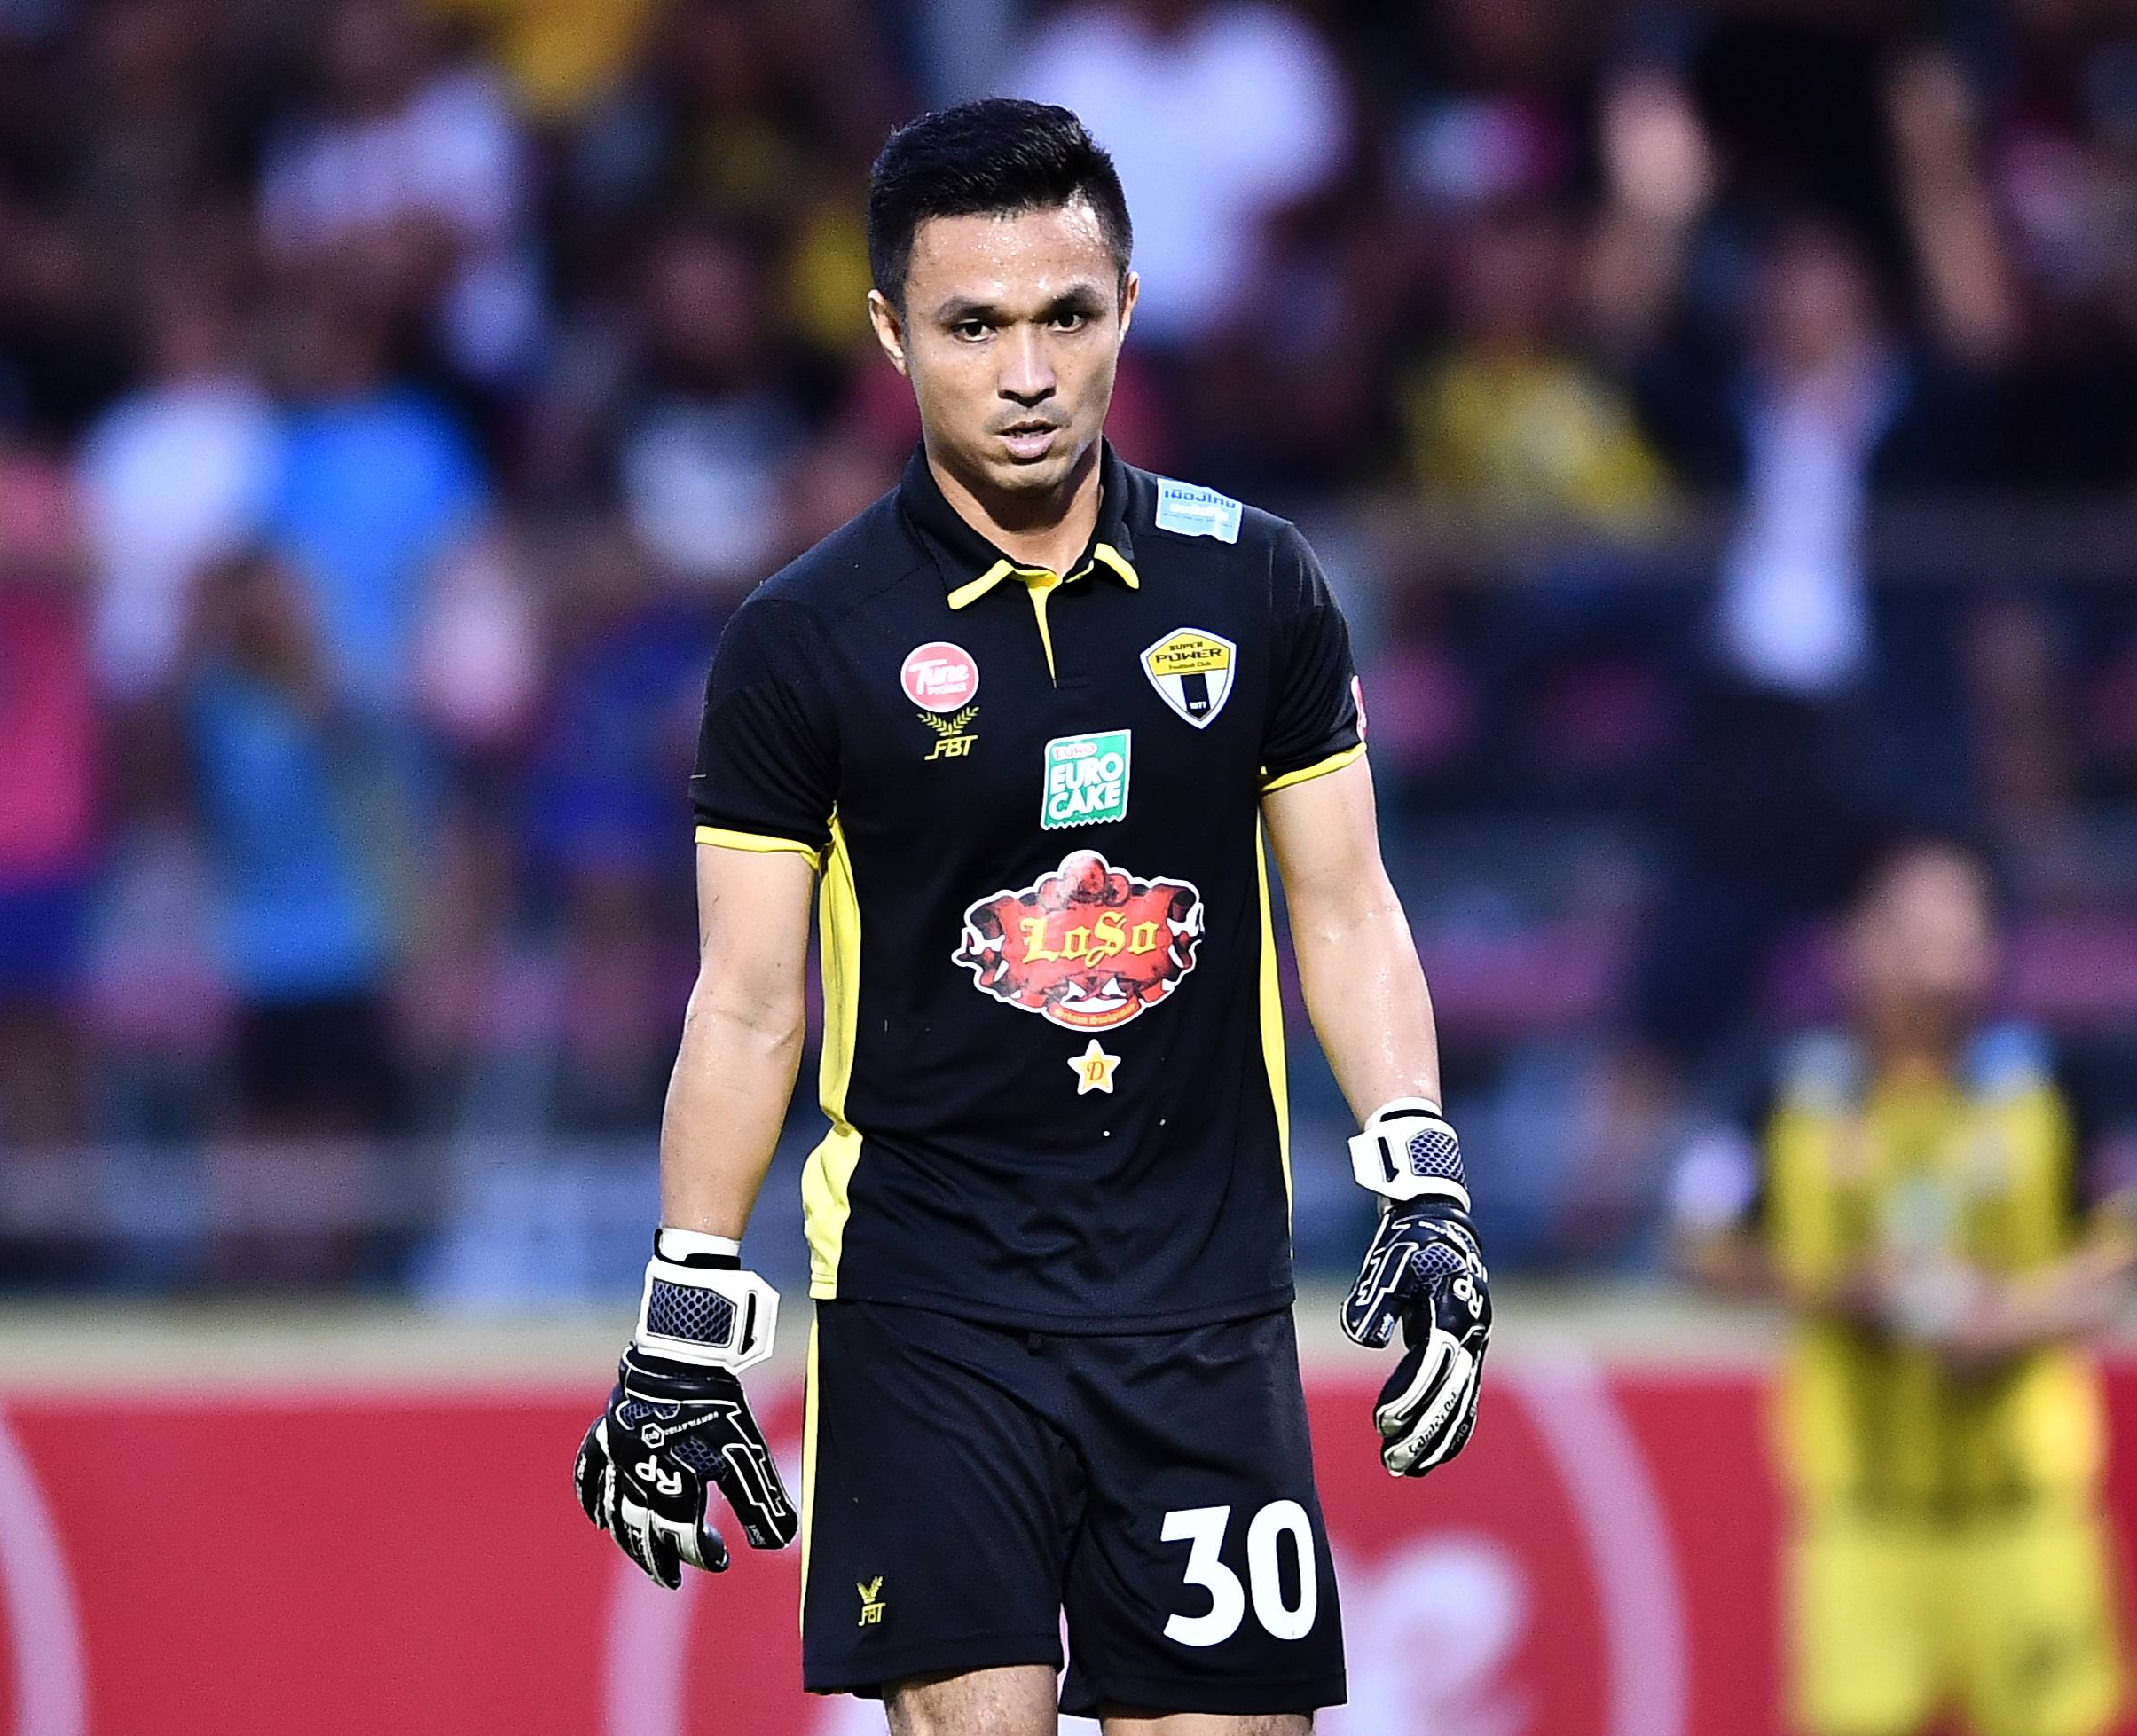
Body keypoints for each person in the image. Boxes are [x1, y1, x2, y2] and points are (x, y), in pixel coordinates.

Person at [572, 99, 1490, 1736]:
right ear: (890, 333)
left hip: (1202, 1300)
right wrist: (687, 1308)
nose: (1027, 372)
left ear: (1128, 306)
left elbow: (1346, 910)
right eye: (972, 325)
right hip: (925, 1307)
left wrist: (1422, 1176)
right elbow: (748, 1003)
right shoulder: (803, 638)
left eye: (1067, 316)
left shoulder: (1257, 583)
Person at [1672, 836, 2137, 1736]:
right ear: (1849, 947)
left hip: (2026, 1522)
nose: (1937, 965)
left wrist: (2013, 1316)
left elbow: (2124, 1254)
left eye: (1960, 935)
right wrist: (1835, 1290)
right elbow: (1698, 1248)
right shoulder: (1784, 1096)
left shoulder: (2053, 1085)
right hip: (1863, 1529)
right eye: (1912, 933)